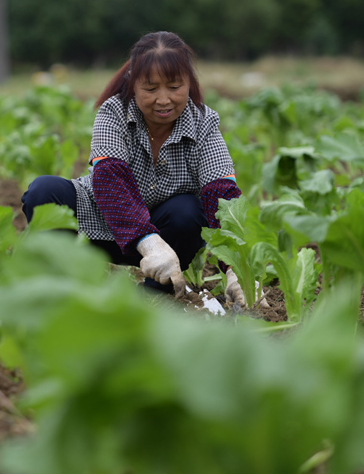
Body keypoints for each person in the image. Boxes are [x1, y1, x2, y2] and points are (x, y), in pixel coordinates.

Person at [21, 31, 250, 306]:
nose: (164, 100)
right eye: (151, 89)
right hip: (101, 223)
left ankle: (157, 296)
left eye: (175, 87)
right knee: (43, 191)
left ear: (189, 82)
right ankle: (65, 287)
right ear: (133, 84)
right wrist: (148, 243)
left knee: (189, 210)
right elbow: (110, 181)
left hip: (168, 242)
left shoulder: (204, 123)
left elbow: (221, 195)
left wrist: (238, 270)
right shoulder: (114, 112)